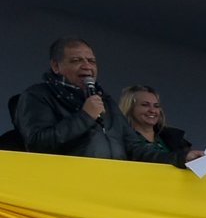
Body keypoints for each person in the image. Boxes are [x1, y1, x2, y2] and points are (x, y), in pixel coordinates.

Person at [18, 37, 183, 164]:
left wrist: (181, 158)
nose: (87, 66)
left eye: (91, 61)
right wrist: (85, 116)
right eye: (76, 60)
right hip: (69, 188)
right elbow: (36, 144)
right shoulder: (39, 95)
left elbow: (135, 149)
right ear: (56, 66)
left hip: (110, 186)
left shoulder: (105, 102)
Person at [120, 86, 196, 166]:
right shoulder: (120, 139)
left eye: (156, 106)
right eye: (145, 105)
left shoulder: (175, 138)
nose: (152, 110)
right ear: (130, 107)